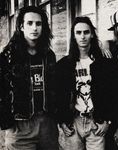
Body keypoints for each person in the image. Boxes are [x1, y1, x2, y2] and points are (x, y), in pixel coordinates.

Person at [55, 16, 118, 150]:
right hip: (74, 121)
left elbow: (113, 95)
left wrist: (108, 121)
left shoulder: (104, 63)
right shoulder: (64, 65)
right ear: (73, 36)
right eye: (78, 33)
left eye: (86, 32)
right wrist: (62, 121)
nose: (82, 36)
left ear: (92, 34)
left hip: (96, 121)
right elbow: (59, 95)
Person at [0, 6, 58, 150]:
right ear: (21, 26)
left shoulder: (48, 55)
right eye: (30, 23)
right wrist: (6, 122)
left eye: (39, 24)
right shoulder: (8, 56)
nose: (34, 28)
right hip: (20, 125)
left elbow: (55, 87)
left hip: (46, 123)